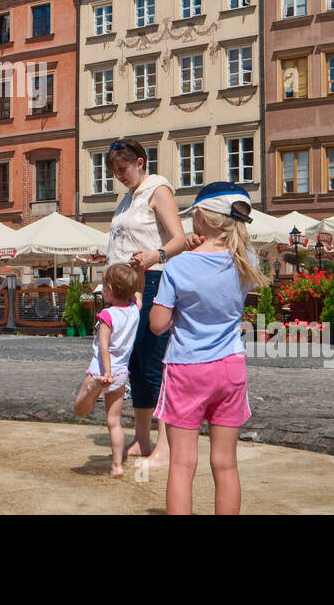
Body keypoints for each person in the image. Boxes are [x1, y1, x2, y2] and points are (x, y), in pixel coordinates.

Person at [150, 182, 268, 515]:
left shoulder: (178, 267)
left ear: (199, 216)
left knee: (182, 465)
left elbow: (158, 325)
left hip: (187, 368)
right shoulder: (247, 260)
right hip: (230, 367)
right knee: (226, 464)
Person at [104, 138, 188, 469]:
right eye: (114, 171)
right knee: (134, 364)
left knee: (154, 363)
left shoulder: (157, 189)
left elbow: (179, 238)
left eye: (123, 169)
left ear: (140, 163)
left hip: (151, 283)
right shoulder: (128, 199)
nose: (119, 176)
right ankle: (141, 439)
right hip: (126, 289)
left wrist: (156, 254)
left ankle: (165, 446)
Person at [73, 263, 143, 477]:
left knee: (79, 409)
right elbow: (139, 294)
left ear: (110, 290)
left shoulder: (107, 315)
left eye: (103, 285)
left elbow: (104, 346)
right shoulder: (134, 310)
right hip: (122, 374)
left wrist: (106, 374)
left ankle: (94, 388)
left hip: (101, 370)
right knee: (114, 422)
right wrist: (139, 269)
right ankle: (117, 466)